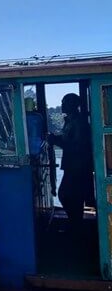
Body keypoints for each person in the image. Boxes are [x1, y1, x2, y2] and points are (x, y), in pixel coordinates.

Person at [48, 93, 95, 229]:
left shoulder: (79, 122)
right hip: (72, 166)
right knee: (73, 197)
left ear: (73, 105)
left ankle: (76, 224)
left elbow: (77, 146)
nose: (62, 104)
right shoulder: (70, 121)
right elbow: (67, 139)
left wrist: (56, 140)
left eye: (64, 102)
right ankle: (75, 223)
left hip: (78, 167)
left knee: (66, 195)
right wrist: (56, 138)